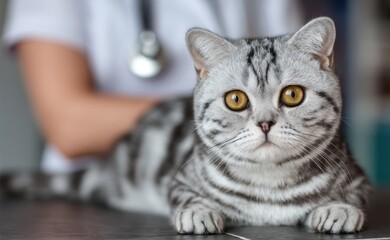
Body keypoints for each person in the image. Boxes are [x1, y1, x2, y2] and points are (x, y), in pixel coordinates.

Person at [3, 0, 302, 174]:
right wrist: (221, 113)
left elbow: (299, 73)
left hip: (251, 177)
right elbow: (68, 124)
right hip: (94, 191)